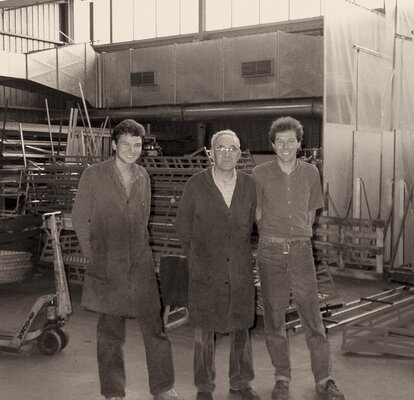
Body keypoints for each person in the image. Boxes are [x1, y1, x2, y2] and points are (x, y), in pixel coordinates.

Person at [72, 119, 180, 400]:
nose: (133, 150)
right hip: (107, 265)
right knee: (110, 334)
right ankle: (113, 391)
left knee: (155, 329)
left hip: (141, 266)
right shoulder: (93, 175)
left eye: (137, 145)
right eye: (126, 144)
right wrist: (93, 257)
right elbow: (79, 219)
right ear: (113, 145)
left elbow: (142, 221)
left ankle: (163, 388)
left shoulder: (144, 176)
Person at [251, 117, 345, 400]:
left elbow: (311, 212)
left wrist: (299, 237)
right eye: (280, 142)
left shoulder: (310, 173)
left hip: (302, 251)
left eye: (291, 141)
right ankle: (282, 378)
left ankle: (324, 379)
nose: (285, 146)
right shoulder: (259, 174)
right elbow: (257, 213)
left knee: (313, 318)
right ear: (272, 144)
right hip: (270, 251)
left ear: (299, 143)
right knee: (275, 319)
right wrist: (272, 236)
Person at [175, 130, 260, 400]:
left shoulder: (249, 185)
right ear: (211, 153)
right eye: (220, 148)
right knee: (204, 331)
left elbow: (255, 223)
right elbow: (182, 224)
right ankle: (204, 387)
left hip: (239, 269)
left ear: (239, 153)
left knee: (240, 328)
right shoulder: (196, 184)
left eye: (232, 148)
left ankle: (240, 383)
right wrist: (197, 257)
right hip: (205, 269)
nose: (226, 153)